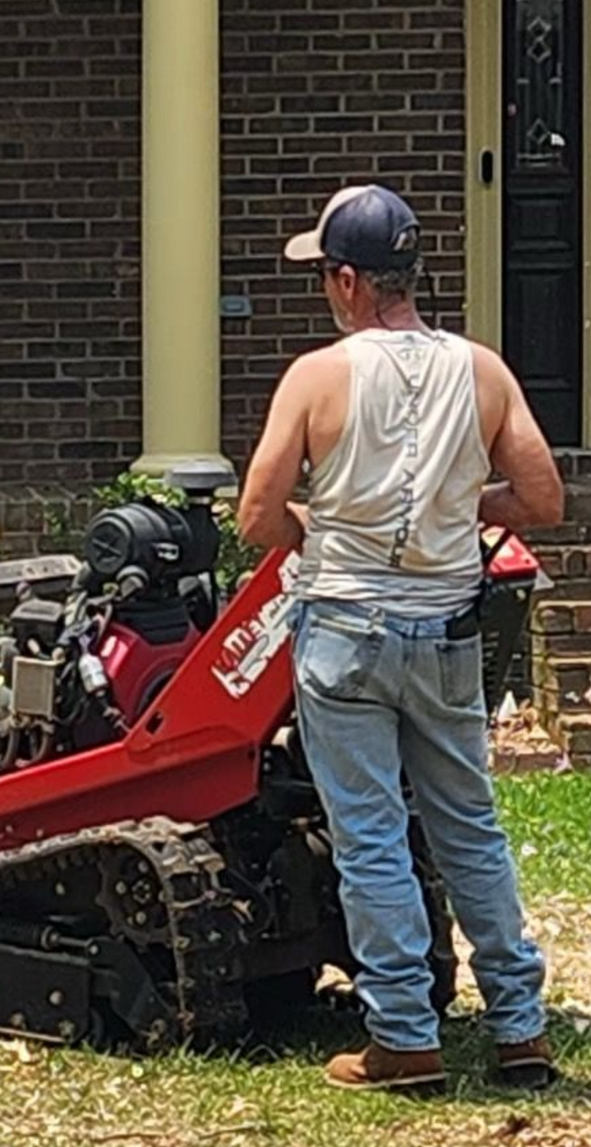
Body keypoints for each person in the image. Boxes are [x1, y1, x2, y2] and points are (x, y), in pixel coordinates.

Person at [237, 183, 565, 1095]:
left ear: (346, 281)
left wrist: (324, 526)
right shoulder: (483, 371)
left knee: (372, 835)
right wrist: (465, 506)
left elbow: (257, 515)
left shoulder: (317, 376)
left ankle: (405, 1038)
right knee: (469, 827)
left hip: (345, 624)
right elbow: (543, 501)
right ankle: (519, 1029)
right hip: (447, 626)